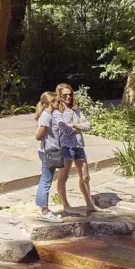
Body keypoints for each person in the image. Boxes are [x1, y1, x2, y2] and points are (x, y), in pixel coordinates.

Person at [53, 83, 95, 213]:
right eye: (65, 95)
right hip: (65, 147)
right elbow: (64, 130)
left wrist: (73, 125)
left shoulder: (76, 110)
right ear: (59, 96)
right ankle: (65, 205)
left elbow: (88, 126)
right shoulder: (57, 112)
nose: (68, 97)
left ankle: (90, 204)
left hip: (78, 146)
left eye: (70, 94)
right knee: (63, 177)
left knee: (85, 176)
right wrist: (77, 126)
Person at [34, 91, 64, 222]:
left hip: (51, 150)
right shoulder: (46, 116)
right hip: (48, 151)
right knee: (46, 181)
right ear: (50, 103)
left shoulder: (50, 115)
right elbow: (38, 136)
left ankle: (41, 206)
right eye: (57, 101)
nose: (59, 102)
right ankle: (43, 210)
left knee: (46, 179)